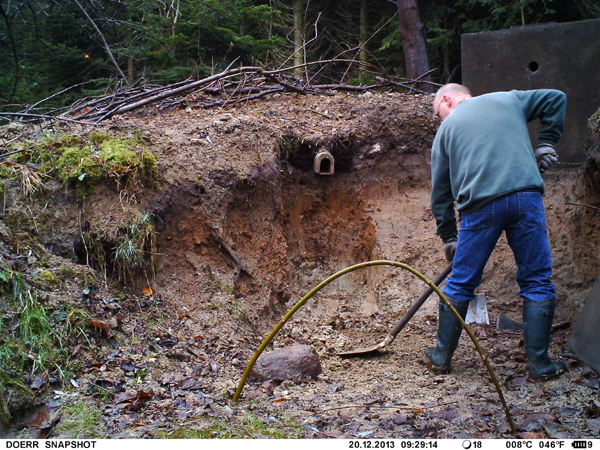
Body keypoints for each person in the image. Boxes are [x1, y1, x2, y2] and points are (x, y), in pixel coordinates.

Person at [425, 83, 568, 380]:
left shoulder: (447, 129)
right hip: (526, 198)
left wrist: (449, 236)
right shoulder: (509, 99)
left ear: (447, 99)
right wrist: (547, 142)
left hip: (480, 205)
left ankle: (441, 357)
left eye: (437, 111)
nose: (440, 118)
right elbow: (556, 98)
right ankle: (540, 365)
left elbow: (440, 192)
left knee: (461, 282)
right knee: (537, 279)